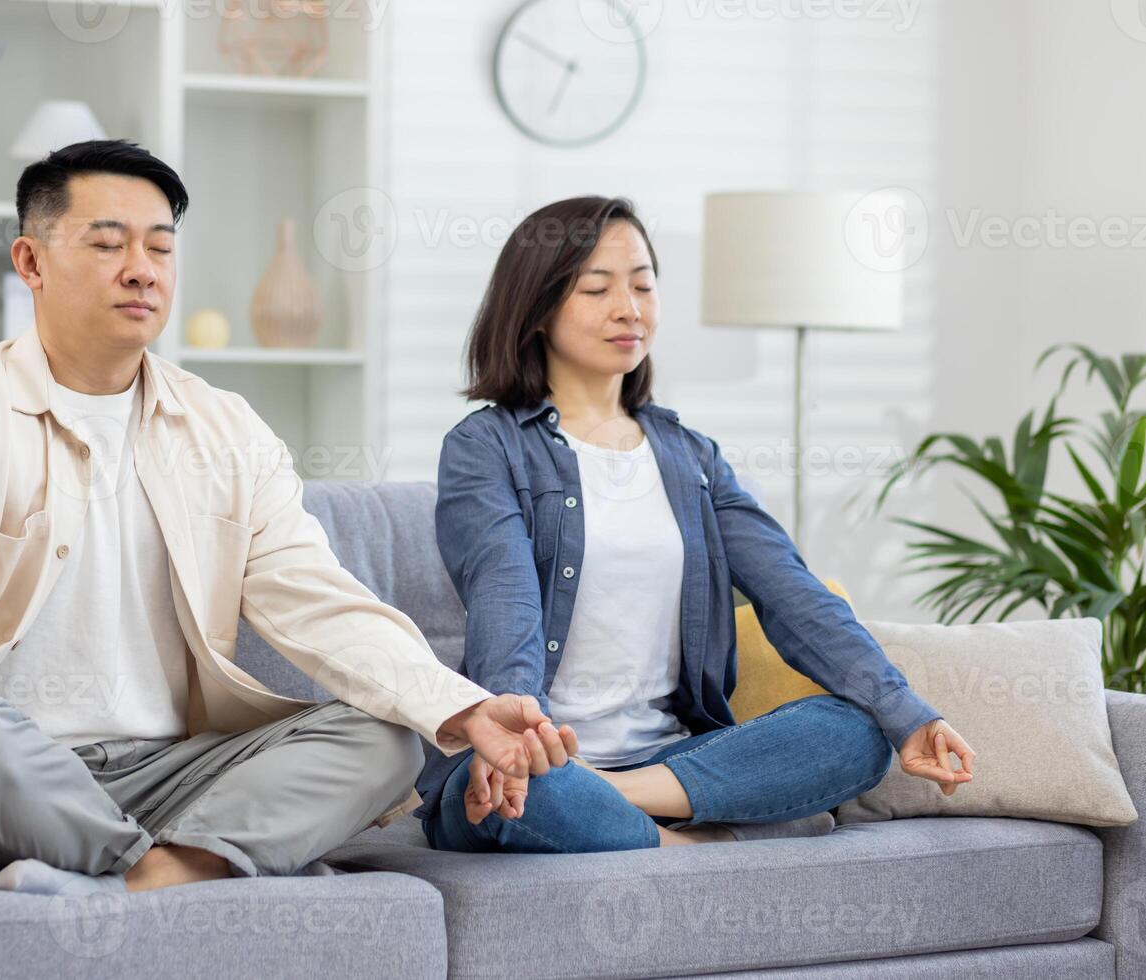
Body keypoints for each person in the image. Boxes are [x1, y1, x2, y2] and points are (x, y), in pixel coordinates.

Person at [0, 139, 575, 892]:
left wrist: (464, 707)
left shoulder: (225, 430)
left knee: (382, 741)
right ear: (31, 263)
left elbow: (319, 602)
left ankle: (128, 878)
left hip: (171, 772)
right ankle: (177, 872)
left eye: (161, 248)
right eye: (108, 244)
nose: (141, 270)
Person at [416, 195, 977, 854]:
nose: (629, 308)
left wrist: (909, 716)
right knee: (523, 794)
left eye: (643, 285)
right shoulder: (487, 447)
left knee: (854, 733)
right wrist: (516, 735)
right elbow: (502, 595)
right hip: (524, 762)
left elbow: (792, 595)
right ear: (537, 308)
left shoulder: (693, 458)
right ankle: (694, 844)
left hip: (667, 762)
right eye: (597, 288)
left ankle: (619, 806)